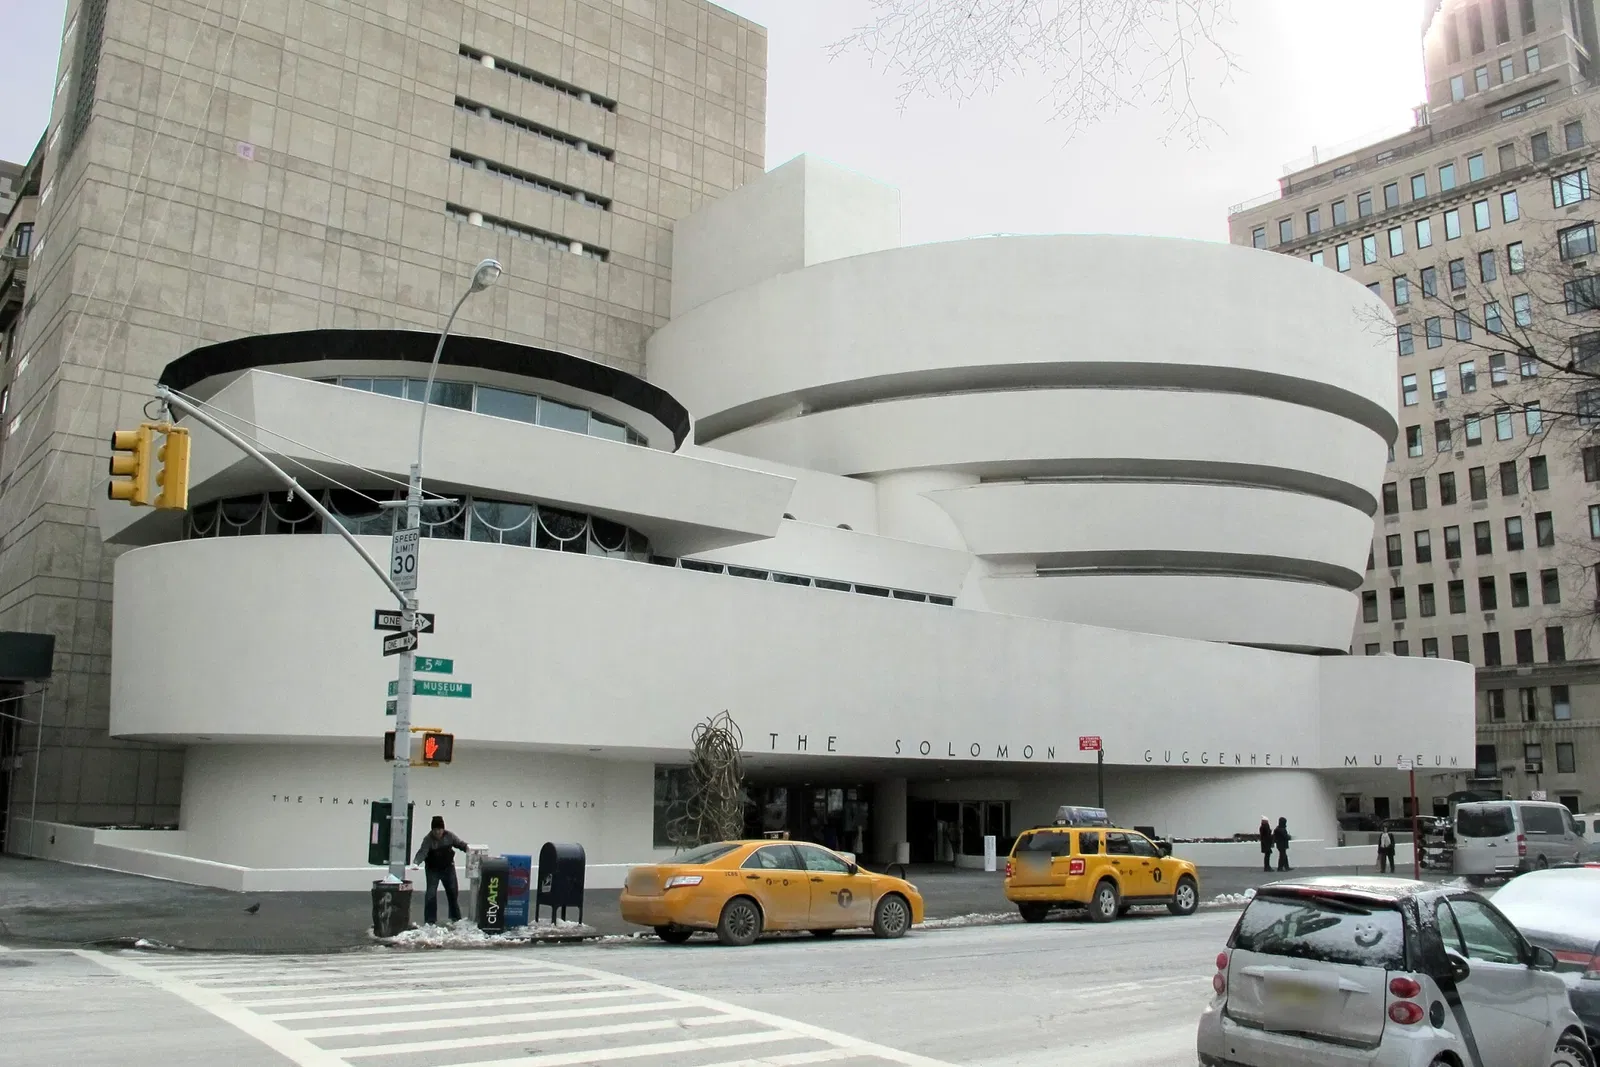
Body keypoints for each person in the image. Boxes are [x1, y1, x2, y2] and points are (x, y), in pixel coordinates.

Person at [413, 815, 470, 925]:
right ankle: (430, 920)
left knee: (453, 892)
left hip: (448, 868)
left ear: (443, 829)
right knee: (431, 894)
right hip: (433, 870)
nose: (437, 832)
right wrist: (416, 862)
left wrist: (469, 848)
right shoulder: (428, 839)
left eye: (439, 829)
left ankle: (455, 917)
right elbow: (422, 852)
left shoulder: (449, 836)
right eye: (435, 830)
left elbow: (460, 844)